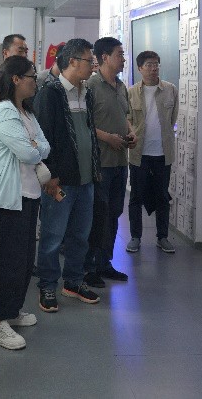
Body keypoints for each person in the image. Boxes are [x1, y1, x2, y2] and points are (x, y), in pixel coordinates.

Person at [0, 56, 49, 349]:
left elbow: (44, 146)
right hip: (6, 198)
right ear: (16, 79)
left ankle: (12, 310)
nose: (36, 81)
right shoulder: (3, 112)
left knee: (22, 260)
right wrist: (34, 148)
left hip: (27, 193)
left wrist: (34, 147)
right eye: (32, 76)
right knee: (4, 262)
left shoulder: (25, 111)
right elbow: (30, 153)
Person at [33, 38, 101, 312]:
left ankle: (73, 281)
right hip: (60, 180)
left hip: (86, 178)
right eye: (89, 60)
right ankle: (47, 285)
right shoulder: (50, 93)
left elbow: (89, 133)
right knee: (52, 237)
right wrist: (51, 175)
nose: (93, 65)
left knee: (80, 236)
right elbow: (43, 138)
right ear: (72, 61)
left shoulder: (87, 92)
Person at [83, 37, 134, 287]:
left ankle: (105, 263)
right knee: (97, 216)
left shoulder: (121, 86)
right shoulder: (90, 86)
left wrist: (131, 132)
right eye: (119, 54)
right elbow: (84, 124)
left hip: (120, 162)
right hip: (100, 162)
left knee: (114, 214)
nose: (123, 59)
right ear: (104, 57)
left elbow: (125, 117)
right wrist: (107, 138)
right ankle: (89, 266)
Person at [126, 50, 179, 254]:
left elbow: (172, 119)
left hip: (163, 153)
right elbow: (128, 119)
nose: (153, 68)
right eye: (148, 65)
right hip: (139, 152)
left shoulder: (170, 89)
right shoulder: (131, 92)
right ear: (140, 68)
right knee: (136, 197)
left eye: (156, 64)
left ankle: (162, 237)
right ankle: (135, 237)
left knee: (162, 196)